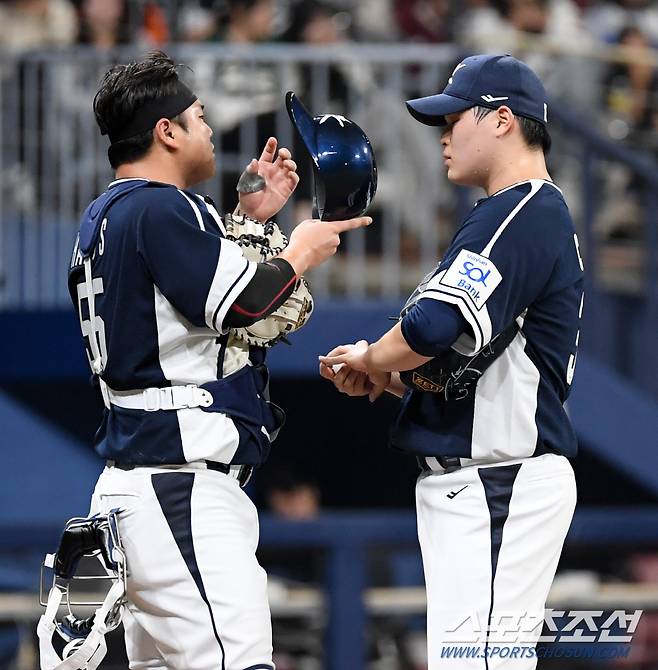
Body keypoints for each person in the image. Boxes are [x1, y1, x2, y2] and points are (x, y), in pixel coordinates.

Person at [66, 51, 370, 670]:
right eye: (199, 116)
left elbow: (188, 306)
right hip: (180, 483)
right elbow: (250, 307)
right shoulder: (159, 206)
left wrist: (249, 222)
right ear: (167, 131)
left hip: (139, 482)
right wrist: (304, 247)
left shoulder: (110, 214)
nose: (209, 129)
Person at [320, 54, 583, 668]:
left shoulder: (522, 211)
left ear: (500, 120)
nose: (443, 135)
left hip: (500, 481)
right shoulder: (516, 215)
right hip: (485, 481)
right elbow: (464, 357)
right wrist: (391, 373)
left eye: (455, 117)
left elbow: (433, 325)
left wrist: (370, 354)